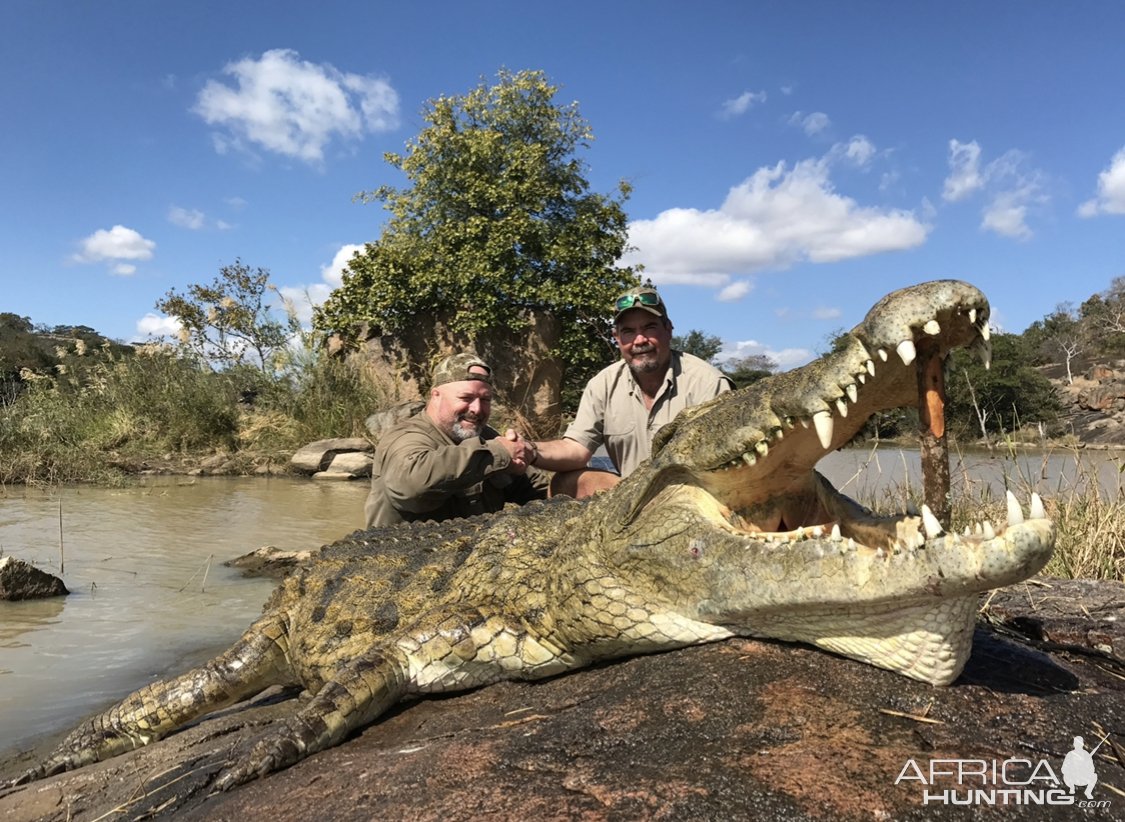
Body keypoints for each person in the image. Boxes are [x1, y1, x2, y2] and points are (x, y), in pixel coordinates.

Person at [528, 284, 733, 498]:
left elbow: (725, 464)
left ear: (668, 329)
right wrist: (528, 450)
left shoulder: (709, 383)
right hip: (631, 500)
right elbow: (577, 449)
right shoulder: (603, 384)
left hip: (695, 498)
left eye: (649, 328)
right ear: (616, 338)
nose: (640, 340)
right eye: (628, 331)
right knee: (565, 482)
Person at [364, 352, 549, 527]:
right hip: (400, 556)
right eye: (466, 397)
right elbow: (412, 485)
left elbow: (538, 489)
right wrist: (499, 453)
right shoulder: (406, 436)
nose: (477, 408)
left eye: (485, 399)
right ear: (436, 396)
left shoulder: (487, 436)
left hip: (474, 554)